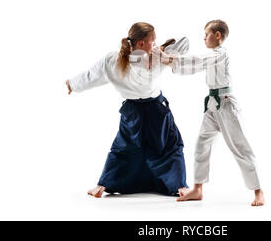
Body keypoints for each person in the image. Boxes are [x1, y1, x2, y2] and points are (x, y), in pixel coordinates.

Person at [65, 22, 190, 198]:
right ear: (141, 44)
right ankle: (179, 186)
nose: (155, 45)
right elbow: (184, 44)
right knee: (169, 147)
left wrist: (72, 84)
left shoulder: (113, 59)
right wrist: (163, 51)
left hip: (132, 114)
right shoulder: (155, 58)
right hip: (156, 113)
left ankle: (102, 185)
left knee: (124, 148)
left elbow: (92, 76)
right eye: (153, 41)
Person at [161, 20, 265, 206]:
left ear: (217, 35)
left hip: (226, 105)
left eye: (206, 34)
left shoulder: (220, 54)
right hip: (211, 105)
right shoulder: (211, 56)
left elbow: (198, 60)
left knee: (240, 147)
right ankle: (197, 189)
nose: (204, 38)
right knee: (202, 145)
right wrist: (170, 62)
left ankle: (258, 191)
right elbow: (193, 67)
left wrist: (170, 59)